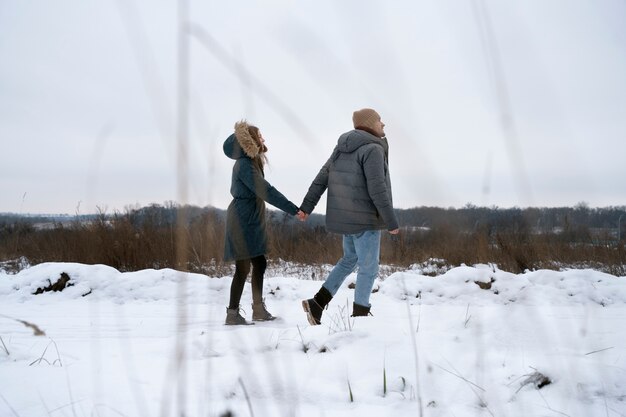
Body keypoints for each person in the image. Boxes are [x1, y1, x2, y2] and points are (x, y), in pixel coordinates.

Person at [300, 108, 399, 325]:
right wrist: (391, 221)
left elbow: (321, 178)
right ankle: (361, 317)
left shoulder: (341, 148)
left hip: (346, 219)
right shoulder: (372, 149)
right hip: (365, 219)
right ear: (370, 124)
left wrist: (306, 207)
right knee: (369, 268)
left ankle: (317, 303)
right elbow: (377, 189)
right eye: (380, 120)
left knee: (350, 260)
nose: (383, 124)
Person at [223, 120, 304, 325]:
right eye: (260, 136)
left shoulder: (251, 161)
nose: (263, 139)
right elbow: (266, 190)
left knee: (259, 263)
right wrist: (293, 209)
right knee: (243, 267)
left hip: (250, 217)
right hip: (242, 220)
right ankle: (233, 313)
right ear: (250, 139)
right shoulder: (244, 165)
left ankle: (257, 309)